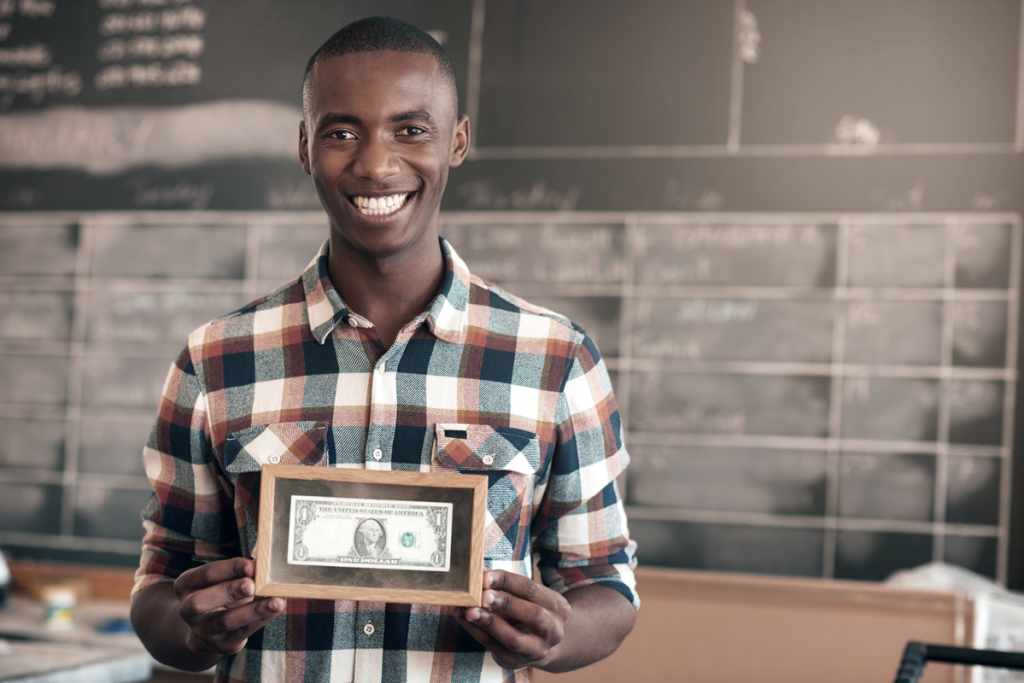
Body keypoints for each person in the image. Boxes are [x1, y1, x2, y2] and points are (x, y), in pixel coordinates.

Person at [130, 16, 637, 683]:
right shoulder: (215, 360)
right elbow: (159, 588)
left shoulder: (557, 358)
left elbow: (605, 582)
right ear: (305, 146)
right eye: (342, 132)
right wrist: (192, 628)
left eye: (411, 129)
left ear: (456, 142)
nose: (375, 163)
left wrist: (554, 636)